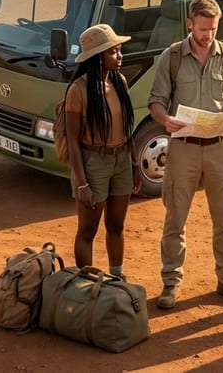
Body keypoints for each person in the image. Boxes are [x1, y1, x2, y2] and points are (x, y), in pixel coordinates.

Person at [148, 0, 223, 309]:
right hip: (182, 149)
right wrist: (163, 118)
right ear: (189, 24)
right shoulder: (171, 58)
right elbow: (155, 100)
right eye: (203, 29)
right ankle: (171, 283)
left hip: (219, 150)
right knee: (175, 221)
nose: (208, 35)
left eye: (212, 29)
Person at [64, 24, 141, 277]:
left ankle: (116, 277)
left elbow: (127, 128)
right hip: (93, 162)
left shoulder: (120, 82)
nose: (120, 56)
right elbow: (73, 141)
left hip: (121, 162)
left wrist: (134, 165)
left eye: (119, 51)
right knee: (87, 231)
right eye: (113, 52)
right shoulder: (78, 91)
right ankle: (86, 286)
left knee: (116, 226)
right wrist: (82, 184)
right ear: (98, 56)